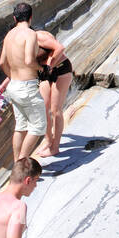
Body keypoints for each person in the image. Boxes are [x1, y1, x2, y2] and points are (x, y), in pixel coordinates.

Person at [0, 3, 47, 163]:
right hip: (27, 87)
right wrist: (42, 68)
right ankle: (22, 164)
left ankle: (17, 162)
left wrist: (12, 76)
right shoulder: (30, 34)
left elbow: (2, 63)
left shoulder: (9, 35)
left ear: (14, 18)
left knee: (21, 127)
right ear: (31, 17)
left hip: (14, 87)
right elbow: (29, 60)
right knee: (38, 126)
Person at [33, 29, 72, 158]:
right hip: (45, 72)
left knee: (55, 109)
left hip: (60, 69)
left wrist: (50, 66)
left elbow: (60, 48)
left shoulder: (39, 36)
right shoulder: (24, 42)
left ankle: (55, 147)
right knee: (42, 107)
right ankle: (48, 140)